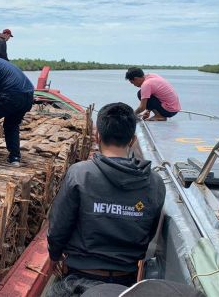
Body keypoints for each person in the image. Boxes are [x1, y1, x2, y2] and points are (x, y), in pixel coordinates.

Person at [47, 102, 166, 297]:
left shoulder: (80, 173)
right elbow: (150, 232)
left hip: (77, 279)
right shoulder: (155, 182)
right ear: (133, 139)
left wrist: (54, 255)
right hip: (125, 282)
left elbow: (59, 225)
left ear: (97, 136)